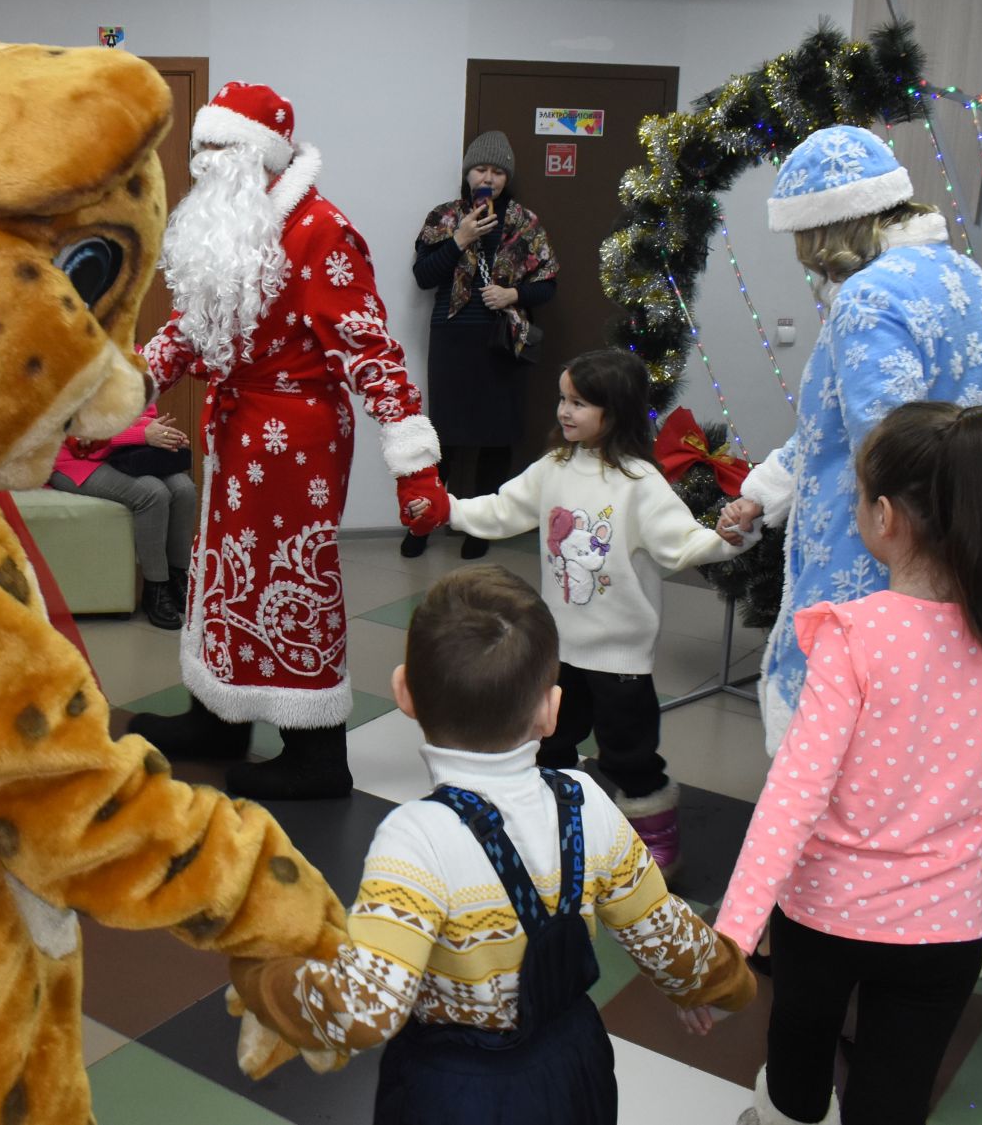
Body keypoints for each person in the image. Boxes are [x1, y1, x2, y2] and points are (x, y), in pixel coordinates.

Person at [229, 565, 755, 1125]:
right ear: (552, 709)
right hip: (574, 1069)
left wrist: (265, 979)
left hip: (452, 1091)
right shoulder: (584, 801)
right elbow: (663, 931)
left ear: (404, 692)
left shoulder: (417, 839)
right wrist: (721, 987)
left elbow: (366, 1007)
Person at [716, 403, 982, 1125]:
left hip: (827, 912)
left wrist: (736, 931)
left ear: (886, 517)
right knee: (897, 1088)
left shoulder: (855, 636)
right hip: (945, 923)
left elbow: (795, 792)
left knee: (799, 1056)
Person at [132, 81, 446, 801]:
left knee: (291, 578)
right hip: (237, 430)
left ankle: (316, 753)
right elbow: (192, 328)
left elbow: (369, 346)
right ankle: (218, 715)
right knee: (225, 568)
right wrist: (136, 380)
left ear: (257, 155)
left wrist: (413, 463)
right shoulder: (233, 224)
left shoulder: (320, 229)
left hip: (298, 437)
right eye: (199, 146)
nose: (203, 161)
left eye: (219, 148)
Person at [716, 125, 982, 763]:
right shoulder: (967, 277)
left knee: (848, 755)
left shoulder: (869, 296)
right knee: (934, 755)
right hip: (971, 541)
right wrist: (765, 495)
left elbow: (889, 449)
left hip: (879, 557)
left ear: (829, 227)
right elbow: (845, 419)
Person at [406, 349, 755, 872]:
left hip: (621, 658)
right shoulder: (554, 467)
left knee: (628, 753)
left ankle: (654, 831)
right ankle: (553, 822)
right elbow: (504, 508)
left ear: (615, 411)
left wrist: (729, 538)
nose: (565, 412)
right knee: (549, 740)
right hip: (560, 645)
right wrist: (448, 508)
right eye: (562, 400)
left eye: (579, 403)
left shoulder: (639, 484)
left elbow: (681, 544)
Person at [407, 130, 560, 560]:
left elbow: (548, 284)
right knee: (443, 440)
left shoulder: (525, 223)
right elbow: (423, 277)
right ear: (467, 173)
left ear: (506, 177)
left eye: (497, 171)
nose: (488, 178)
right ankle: (423, 523)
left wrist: (514, 295)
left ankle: (482, 526)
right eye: (481, 169)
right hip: (453, 340)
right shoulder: (444, 216)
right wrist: (460, 239)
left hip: (503, 343)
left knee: (495, 438)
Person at [47, 403, 195, 629]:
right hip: (74, 462)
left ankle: (178, 578)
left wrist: (164, 434)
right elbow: (79, 438)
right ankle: (156, 587)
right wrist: (142, 435)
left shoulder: (132, 368)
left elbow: (145, 412)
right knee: (152, 493)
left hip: (120, 454)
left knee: (184, 489)